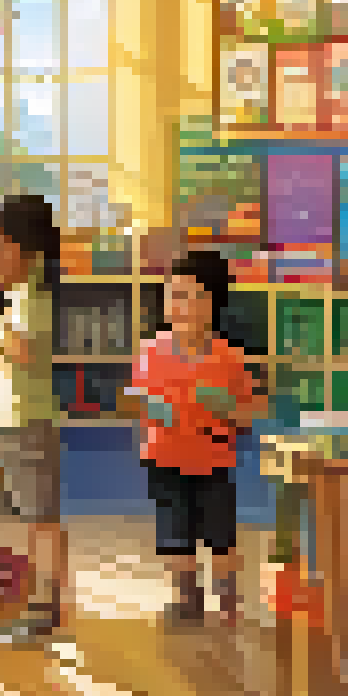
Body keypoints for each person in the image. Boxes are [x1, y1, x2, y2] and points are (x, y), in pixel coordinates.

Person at [128, 250, 266, 627]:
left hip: (214, 461)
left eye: (193, 296)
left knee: (220, 534)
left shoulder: (229, 357)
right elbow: (138, 404)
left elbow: (250, 414)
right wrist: (159, 411)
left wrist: (226, 408)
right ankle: (187, 599)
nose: (182, 305)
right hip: (164, 458)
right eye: (174, 295)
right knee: (175, 533)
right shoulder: (149, 351)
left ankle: (227, 600)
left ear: (213, 304)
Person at [0, 194, 67, 645]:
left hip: (28, 422)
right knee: (35, 517)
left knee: (40, 519)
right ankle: (41, 605)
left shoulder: (30, 296)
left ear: (25, 249)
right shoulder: (20, 294)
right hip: (18, 420)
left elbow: (28, 352)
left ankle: (43, 607)